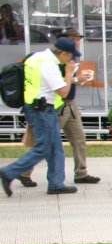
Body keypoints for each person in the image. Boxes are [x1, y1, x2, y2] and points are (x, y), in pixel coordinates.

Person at [17, 27, 100, 189]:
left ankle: (81, 173)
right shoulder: (56, 59)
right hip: (56, 105)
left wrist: (75, 95)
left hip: (70, 104)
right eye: (74, 38)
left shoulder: (71, 56)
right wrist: (76, 78)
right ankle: (23, 171)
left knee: (79, 139)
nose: (77, 42)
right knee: (46, 144)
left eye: (78, 39)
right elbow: (60, 84)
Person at [1, 37, 80, 197]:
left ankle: (56, 183)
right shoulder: (48, 65)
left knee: (56, 147)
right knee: (43, 147)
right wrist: (69, 73)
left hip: (36, 106)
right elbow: (63, 92)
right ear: (64, 53)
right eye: (71, 55)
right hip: (42, 110)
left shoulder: (37, 57)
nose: (71, 59)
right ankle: (8, 172)